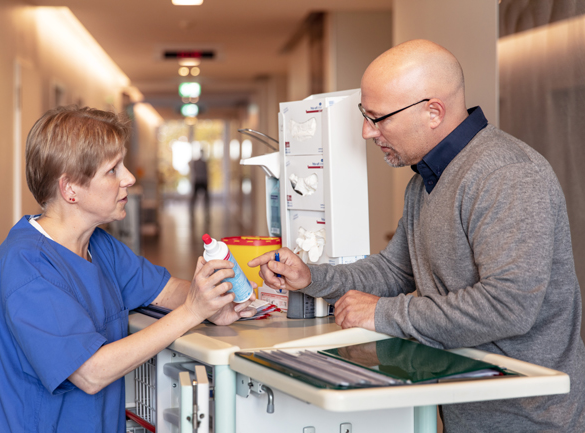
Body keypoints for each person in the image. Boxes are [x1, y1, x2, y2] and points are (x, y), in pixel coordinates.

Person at [249, 39, 585, 432]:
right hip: (466, 402)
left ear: (433, 112)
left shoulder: (507, 175)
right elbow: (396, 271)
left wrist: (384, 313)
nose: (365, 132)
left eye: (378, 118)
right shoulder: (426, 180)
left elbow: (507, 306)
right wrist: (312, 277)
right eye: (364, 114)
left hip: (529, 416)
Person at [0, 106, 256, 432]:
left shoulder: (98, 245)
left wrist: (215, 299)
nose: (129, 178)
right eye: (112, 170)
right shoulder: (26, 265)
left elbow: (164, 290)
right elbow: (90, 373)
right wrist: (193, 311)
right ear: (70, 189)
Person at [190, 149, 210, 217]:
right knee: (195, 196)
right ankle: (192, 209)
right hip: (199, 180)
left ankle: (206, 209)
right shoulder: (199, 162)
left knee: (206, 197)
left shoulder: (203, 162)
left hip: (202, 180)